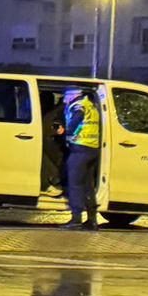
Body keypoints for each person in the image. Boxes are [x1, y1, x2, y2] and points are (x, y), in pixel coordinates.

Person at [62, 87, 102, 227]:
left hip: (80, 148)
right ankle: (92, 220)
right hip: (92, 148)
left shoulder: (79, 105)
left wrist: (67, 133)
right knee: (87, 185)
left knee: (75, 184)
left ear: (76, 94)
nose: (64, 97)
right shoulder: (91, 104)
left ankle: (76, 218)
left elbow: (77, 117)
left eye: (67, 94)